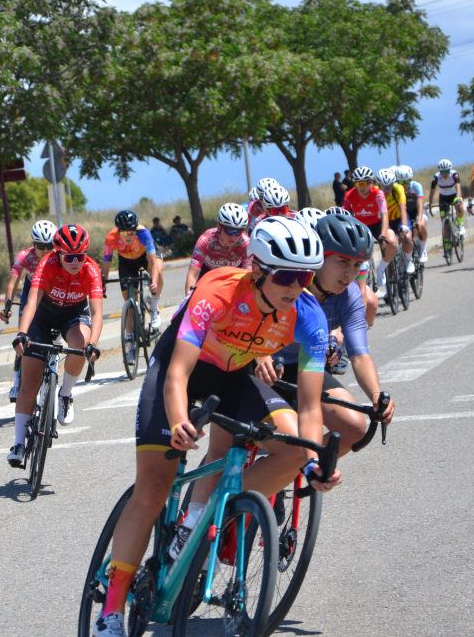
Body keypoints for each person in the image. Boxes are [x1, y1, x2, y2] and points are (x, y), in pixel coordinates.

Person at [91, 217, 339, 637]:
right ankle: (111, 609)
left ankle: (208, 515)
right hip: (180, 371)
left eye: (306, 277)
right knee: (153, 487)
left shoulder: (308, 315)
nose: (297, 287)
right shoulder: (218, 290)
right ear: (257, 269)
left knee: (296, 449)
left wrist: (315, 463)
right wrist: (179, 422)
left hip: (233, 377)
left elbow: (310, 406)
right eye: (287, 276)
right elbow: (176, 375)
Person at [273, 213, 395, 457]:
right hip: (264, 366)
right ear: (319, 256)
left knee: (354, 427)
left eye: (357, 265)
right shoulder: (289, 284)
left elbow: (359, 355)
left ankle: (301, 469)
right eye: (343, 262)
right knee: (287, 443)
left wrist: (375, 394)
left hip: (306, 367)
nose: (350, 274)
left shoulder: (350, 297)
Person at [8, 224, 103, 464]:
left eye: (80, 256)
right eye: (69, 257)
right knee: (30, 380)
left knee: (80, 343)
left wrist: (93, 343)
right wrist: (22, 333)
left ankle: (65, 394)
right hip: (44, 315)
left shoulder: (91, 269)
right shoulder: (47, 263)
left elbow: (97, 313)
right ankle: (18, 443)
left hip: (74, 315)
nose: (75, 262)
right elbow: (31, 302)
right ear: (58, 254)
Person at [1, 220, 57, 402]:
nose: (46, 250)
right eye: (41, 246)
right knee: (23, 336)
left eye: (50, 245)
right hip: (30, 290)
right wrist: (8, 305)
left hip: (50, 291)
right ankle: (17, 381)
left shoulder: (58, 256)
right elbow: (13, 283)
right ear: (34, 244)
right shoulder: (25, 256)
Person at [344, 165, 403, 295]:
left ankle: (381, 269)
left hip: (377, 224)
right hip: (360, 226)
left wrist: (383, 235)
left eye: (364, 183)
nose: (361, 187)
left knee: (392, 243)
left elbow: (384, 215)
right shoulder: (350, 195)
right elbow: (344, 215)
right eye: (358, 184)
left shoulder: (378, 193)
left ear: (371, 183)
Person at [101, 210, 164, 332]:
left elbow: (153, 263)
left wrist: (154, 282)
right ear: (118, 231)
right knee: (130, 303)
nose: (128, 236)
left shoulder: (143, 233)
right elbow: (105, 267)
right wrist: (102, 284)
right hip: (127, 261)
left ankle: (154, 309)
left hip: (145, 256)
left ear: (136, 229)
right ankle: (130, 340)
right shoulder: (111, 238)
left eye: (131, 233)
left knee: (158, 272)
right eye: (124, 233)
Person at [184, 202, 250, 294]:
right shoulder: (206, 240)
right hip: (208, 272)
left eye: (238, 231)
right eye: (230, 231)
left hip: (234, 273)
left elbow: (249, 276)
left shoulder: (245, 243)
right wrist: (189, 298)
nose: (234, 236)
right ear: (219, 227)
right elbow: (192, 275)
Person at [379, 166, 415, 281]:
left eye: (389, 186)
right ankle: (390, 280)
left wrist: (404, 227)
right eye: (383, 187)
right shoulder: (375, 192)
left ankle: (409, 260)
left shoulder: (398, 189)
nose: (386, 190)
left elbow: (403, 208)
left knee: (406, 237)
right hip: (386, 222)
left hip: (399, 218)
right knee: (388, 247)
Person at [397, 165, 427, 264]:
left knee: (421, 225)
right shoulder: (396, 190)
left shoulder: (416, 186)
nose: (404, 185)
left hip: (417, 210)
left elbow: (420, 204)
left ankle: (423, 250)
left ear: (411, 179)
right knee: (402, 234)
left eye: (407, 181)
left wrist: (419, 219)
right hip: (405, 213)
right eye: (401, 182)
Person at [429, 159, 466, 239]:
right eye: (443, 171)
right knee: (444, 221)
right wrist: (430, 202)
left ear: (450, 170)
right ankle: (447, 244)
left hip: (454, 194)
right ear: (440, 171)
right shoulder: (436, 177)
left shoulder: (454, 174)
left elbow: (458, 186)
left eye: (447, 171)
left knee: (459, 206)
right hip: (443, 197)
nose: (445, 173)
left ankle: (460, 225)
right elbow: (432, 190)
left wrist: (458, 198)